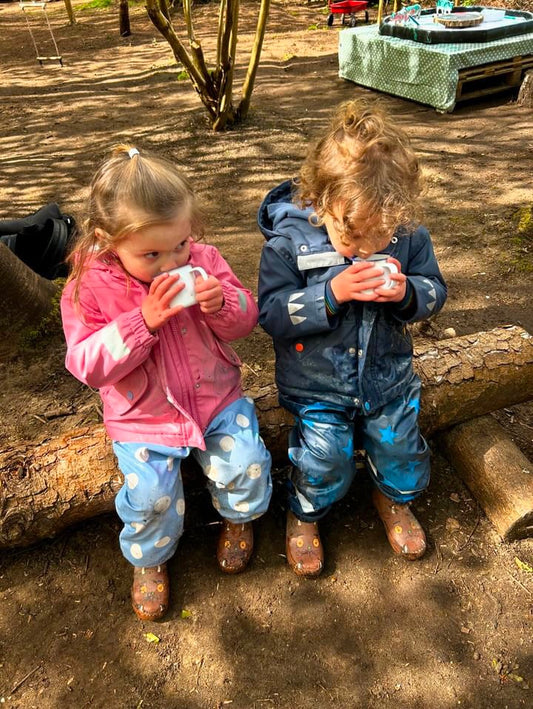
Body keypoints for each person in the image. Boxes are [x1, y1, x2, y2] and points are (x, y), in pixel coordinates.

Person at [61, 145, 272, 620]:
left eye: (180, 245)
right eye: (151, 253)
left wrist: (224, 305)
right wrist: (142, 322)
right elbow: (87, 364)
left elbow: (246, 320)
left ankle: (240, 519)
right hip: (143, 418)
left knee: (245, 462)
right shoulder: (90, 287)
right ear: (109, 240)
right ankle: (150, 560)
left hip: (215, 396)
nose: (172, 262)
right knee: (150, 498)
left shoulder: (205, 259)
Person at [257, 99, 447, 577]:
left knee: (401, 445)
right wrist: (330, 293)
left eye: (380, 237)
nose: (366, 250)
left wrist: (407, 293)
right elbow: (272, 314)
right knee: (324, 458)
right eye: (354, 237)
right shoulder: (289, 244)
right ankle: (303, 514)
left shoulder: (409, 237)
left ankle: (394, 500)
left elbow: (434, 290)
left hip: (386, 378)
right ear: (322, 202)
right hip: (317, 385)